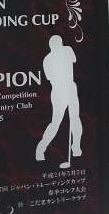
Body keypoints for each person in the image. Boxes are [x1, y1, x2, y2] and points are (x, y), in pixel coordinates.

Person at [35, 34, 83, 162]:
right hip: (59, 91)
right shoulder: (53, 57)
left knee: (74, 118)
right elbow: (52, 77)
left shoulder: (56, 55)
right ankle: (41, 148)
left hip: (69, 88)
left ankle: (76, 148)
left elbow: (72, 60)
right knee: (56, 122)